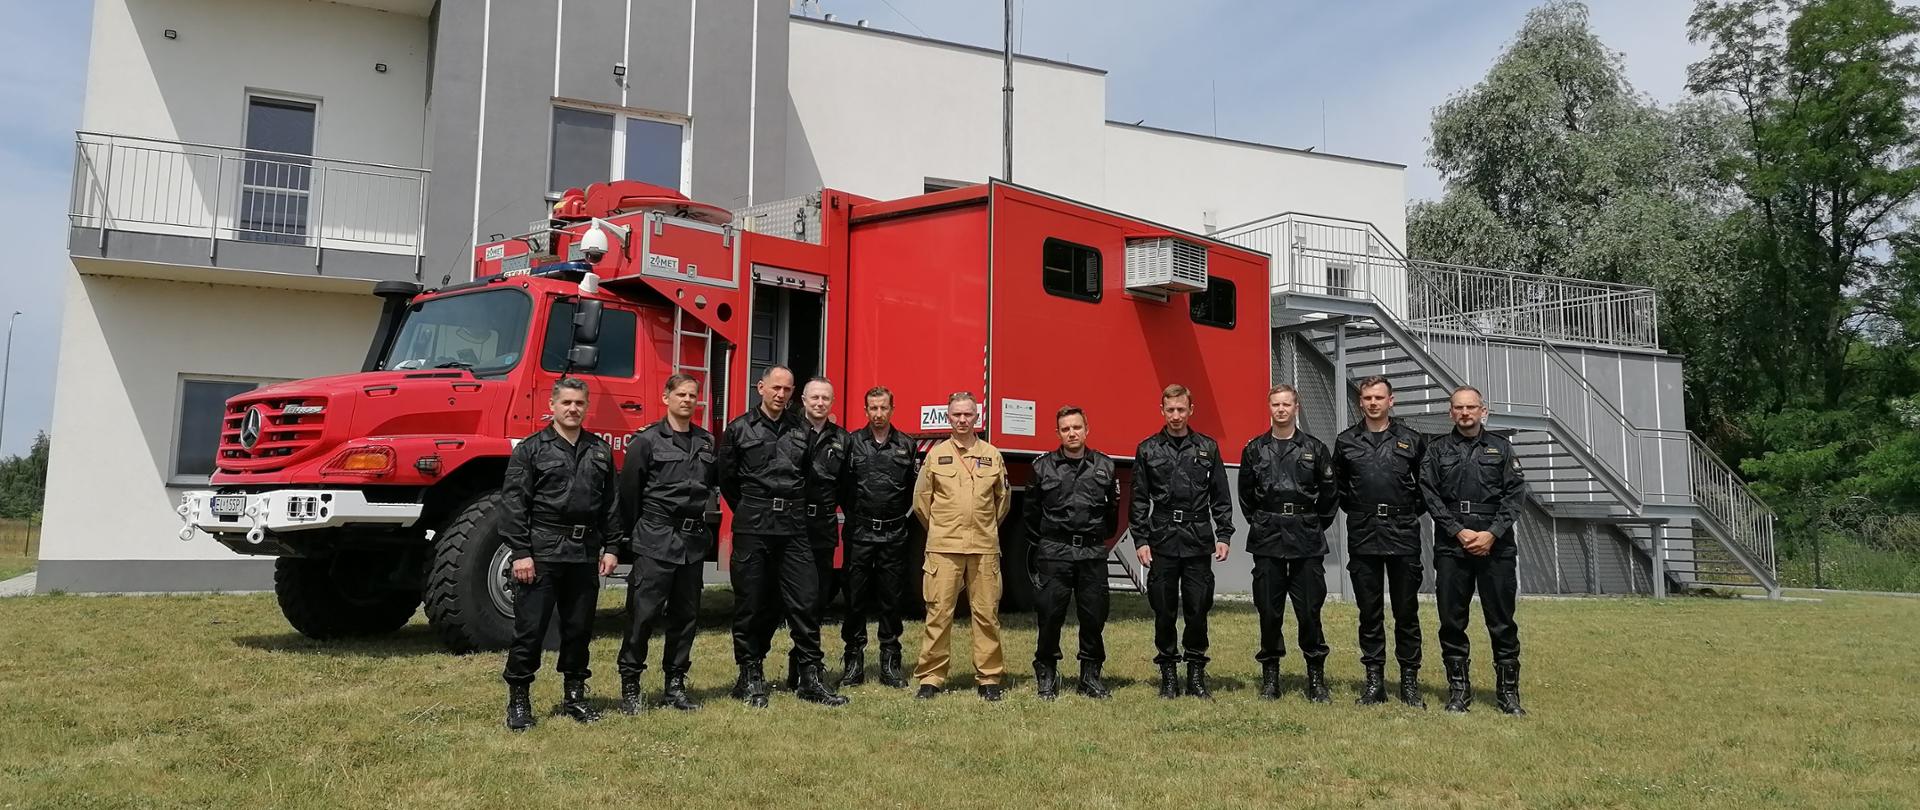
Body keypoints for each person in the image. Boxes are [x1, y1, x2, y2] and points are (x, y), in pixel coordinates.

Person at [718, 366, 848, 708]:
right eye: (776, 388)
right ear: (760, 387)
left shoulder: (800, 430)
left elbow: (808, 475)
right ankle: (750, 675)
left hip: (793, 526)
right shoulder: (738, 429)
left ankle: (810, 677)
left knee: (806, 601)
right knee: (752, 602)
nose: (781, 394)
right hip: (754, 524)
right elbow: (728, 480)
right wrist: (752, 507)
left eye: (787, 390)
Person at [498, 378, 622, 731]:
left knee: (579, 629)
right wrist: (521, 552)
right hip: (543, 551)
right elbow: (513, 504)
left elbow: (611, 504)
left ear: (586, 407)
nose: (573, 409)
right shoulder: (531, 449)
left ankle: (575, 697)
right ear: (552, 405)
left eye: (579, 403)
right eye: (566, 402)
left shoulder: (599, 450)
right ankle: (519, 701)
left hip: (583, 553)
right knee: (530, 631)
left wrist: (612, 546)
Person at [605, 373, 714, 714]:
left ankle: (675, 685)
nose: (687, 400)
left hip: (692, 542)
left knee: (686, 617)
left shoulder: (707, 442)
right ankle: (631, 683)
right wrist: (633, 537)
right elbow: (629, 494)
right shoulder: (647, 441)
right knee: (644, 615)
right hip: (656, 539)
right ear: (666, 397)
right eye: (680, 394)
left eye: (692, 395)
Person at [1419, 386, 1531, 715]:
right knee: (1452, 620)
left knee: (1502, 622)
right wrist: (1458, 530)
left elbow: (1515, 496)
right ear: (1450, 412)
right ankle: (1458, 692)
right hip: (1453, 546)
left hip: (1496, 546)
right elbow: (1429, 494)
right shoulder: (1437, 450)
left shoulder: (1502, 448)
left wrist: (1492, 533)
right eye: (1459, 408)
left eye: (1471, 407)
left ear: (1483, 410)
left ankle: (1508, 695)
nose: (1465, 413)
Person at [1130, 384, 1234, 700]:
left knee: (1197, 609)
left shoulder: (1208, 448)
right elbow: (1138, 498)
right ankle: (1168, 675)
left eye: (1181, 409)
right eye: (1170, 409)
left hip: (1197, 539)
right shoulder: (1148, 449)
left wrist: (1224, 534)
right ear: (1161, 410)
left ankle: (1196, 675)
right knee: (1163, 610)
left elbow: (1220, 495)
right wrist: (1140, 539)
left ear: (1191, 410)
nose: (1176, 416)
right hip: (1161, 539)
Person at [1333, 376, 1430, 708]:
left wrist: (1403, 512)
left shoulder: (1412, 441)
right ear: (1360, 402)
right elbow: (1340, 490)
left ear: (1392, 401)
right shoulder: (1346, 441)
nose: (1372, 403)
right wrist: (1364, 512)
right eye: (1367, 398)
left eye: (1379, 397)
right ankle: (1374, 681)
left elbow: (1426, 489)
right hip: (1364, 533)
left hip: (1403, 533)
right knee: (1369, 613)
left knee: (1406, 612)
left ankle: (1409, 682)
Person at [1238, 384, 1339, 703]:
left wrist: (1311, 523)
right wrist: (1264, 520)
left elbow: (1329, 496)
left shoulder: (1315, 448)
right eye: (1275, 404)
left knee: (1309, 610)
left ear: (1297, 407)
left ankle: (1316, 678)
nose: (1281, 410)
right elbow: (1245, 496)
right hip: (1267, 537)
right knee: (1269, 610)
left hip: (1306, 538)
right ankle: (1271, 678)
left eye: (1286, 404)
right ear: (1269, 408)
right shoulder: (1255, 449)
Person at [911, 391, 1012, 701]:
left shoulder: (993, 454)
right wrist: (943, 530)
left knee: (986, 614)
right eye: (957, 414)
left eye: (968, 414)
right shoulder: (935, 455)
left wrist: (982, 529)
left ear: (977, 417)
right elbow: (921, 502)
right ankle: (931, 677)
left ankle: (989, 678)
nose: (962, 419)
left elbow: (1003, 501)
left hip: (982, 547)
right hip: (943, 547)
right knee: (939, 613)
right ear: (948, 417)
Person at [1024, 406, 1120, 700]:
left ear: (1086, 429)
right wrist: (1049, 542)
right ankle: (1047, 673)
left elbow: (1112, 516)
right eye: (1065, 429)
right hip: (1055, 552)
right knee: (1050, 615)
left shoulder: (1104, 466)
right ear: (1058, 433)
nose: (1072, 433)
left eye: (1076, 427)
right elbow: (1030, 515)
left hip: (1091, 552)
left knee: (1093, 617)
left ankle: (1090, 677)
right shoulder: (1042, 468)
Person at [838, 386, 918, 689]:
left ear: (892, 409)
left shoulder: (906, 445)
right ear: (866, 410)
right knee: (855, 599)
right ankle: (854, 661)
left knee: (891, 599)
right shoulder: (851, 443)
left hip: (894, 532)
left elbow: (912, 489)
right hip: (860, 532)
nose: (878, 414)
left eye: (883, 408)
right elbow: (843, 488)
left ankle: (890, 662)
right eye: (873, 408)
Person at [788, 377, 851, 691]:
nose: (819, 403)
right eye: (814, 397)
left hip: (822, 529)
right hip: (791, 528)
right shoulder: (788, 432)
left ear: (832, 401)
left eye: (825, 398)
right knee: (795, 601)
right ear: (803, 399)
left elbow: (847, 487)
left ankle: (801, 665)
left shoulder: (842, 440)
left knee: (818, 599)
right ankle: (803, 668)